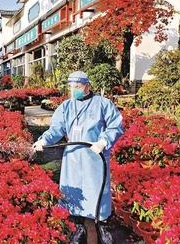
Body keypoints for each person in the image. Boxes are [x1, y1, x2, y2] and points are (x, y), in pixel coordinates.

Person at [32, 71, 123, 243]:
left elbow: (115, 126)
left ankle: (97, 224)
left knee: (94, 193)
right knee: (72, 193)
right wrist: (44, 140)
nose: (74, 90)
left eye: (78, 87)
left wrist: (103, 142)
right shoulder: (66, 106)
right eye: (71, 87)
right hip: (72, 158)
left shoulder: (103, 104)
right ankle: (77, 225)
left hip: (94, 158)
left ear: (87, 86)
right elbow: (56, 129)